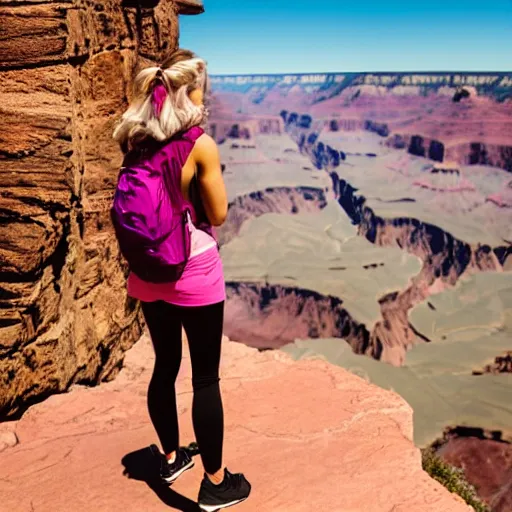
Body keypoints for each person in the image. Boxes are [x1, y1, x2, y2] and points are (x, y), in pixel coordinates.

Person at [112, 48, 251, 511]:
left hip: (148, 274)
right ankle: (215, 484)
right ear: (190, 91)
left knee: (165, 365)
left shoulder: (134, 140)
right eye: (202, 89)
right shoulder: (199, 144)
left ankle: (171, 458)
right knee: (205, 378)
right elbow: (218, 213)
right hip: (193, 272)